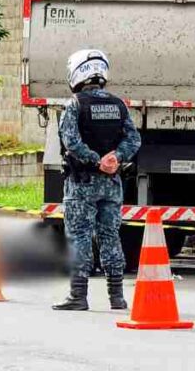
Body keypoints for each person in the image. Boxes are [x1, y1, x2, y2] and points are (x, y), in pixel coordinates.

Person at [53, 49, 141, 311]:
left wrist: (95, 160)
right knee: (110, 235)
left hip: (82, 183)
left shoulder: (75, 104)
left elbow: (70, 141)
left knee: (79, 235)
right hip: (112, 184)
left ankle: (78, 296)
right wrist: (115, 157)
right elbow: (133, 139)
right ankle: (117, 297)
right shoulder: (119, 104)